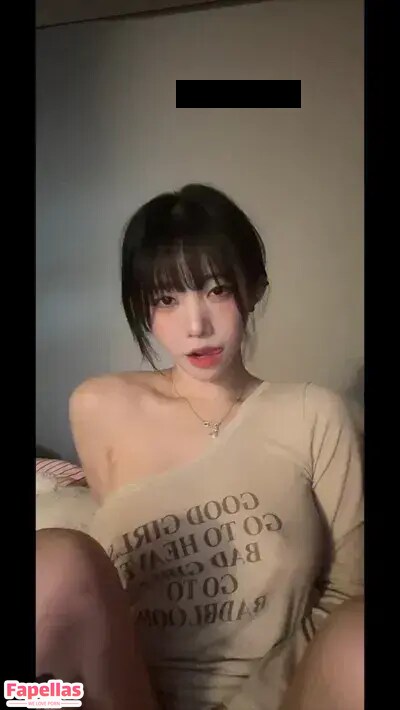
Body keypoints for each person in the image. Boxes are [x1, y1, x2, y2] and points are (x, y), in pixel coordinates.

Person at [36, 184, 364, 710]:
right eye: (166, 300)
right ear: (142, 308)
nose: (196, 327)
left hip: (282, 699)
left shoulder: (315, 415)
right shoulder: (98, 406)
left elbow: (350, 594)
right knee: (55, 560)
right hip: (126, 694)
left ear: (253, 289)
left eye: (216, 290)